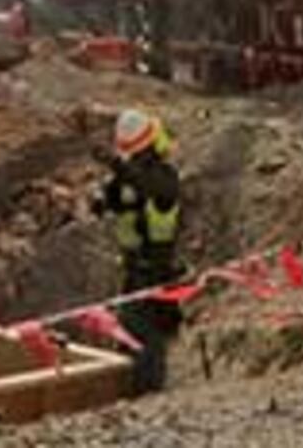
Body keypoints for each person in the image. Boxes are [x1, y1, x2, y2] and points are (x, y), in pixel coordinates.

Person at [93, 108, 185, 397]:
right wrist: (103, 198)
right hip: (132, 275)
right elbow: (115, 200)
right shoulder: (128, 181)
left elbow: (152, 188)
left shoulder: (164, 179)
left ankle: (146, 397)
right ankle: (130, 393)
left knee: (146, 347)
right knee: (127, 339)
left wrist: (118, 167)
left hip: (156, 277)